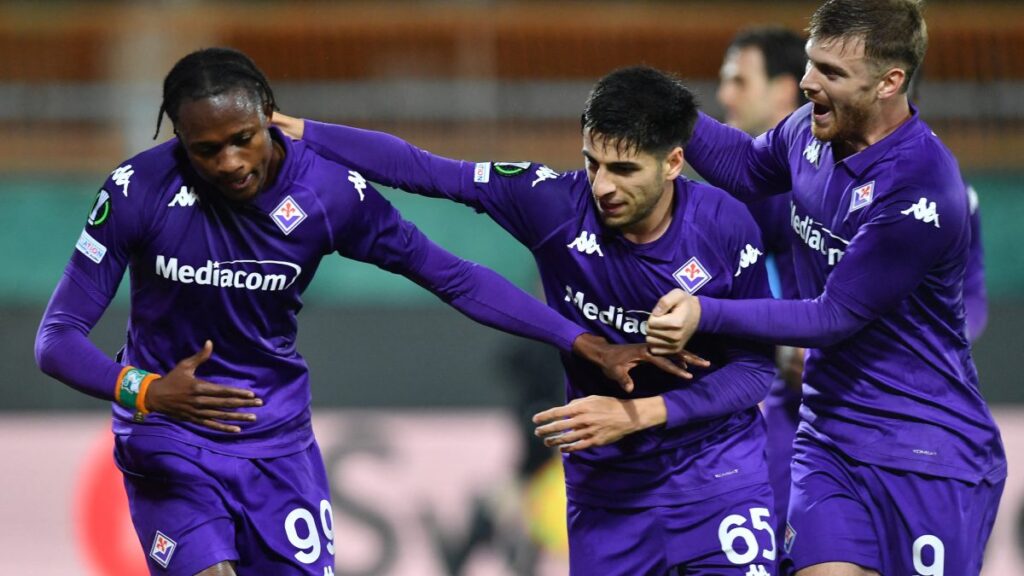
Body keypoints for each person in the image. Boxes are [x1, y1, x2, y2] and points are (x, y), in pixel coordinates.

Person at [33, 48, 697, 576]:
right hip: (168, 440)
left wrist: (581, 341)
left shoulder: (327, 193)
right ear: (179, 139)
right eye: (206, 149)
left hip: (277, 441)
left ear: (269, 113)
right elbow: (56, 339)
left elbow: (453, 275)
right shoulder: (137, 190)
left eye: (243, 138)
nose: (230, 162)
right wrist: (145, 391)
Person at [273, 66, 779, 575]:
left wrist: (640, 413)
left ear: (673, 163)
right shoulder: (551, 202)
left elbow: (756, 372)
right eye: (592, 163)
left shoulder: (725, 225)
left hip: (719, 479)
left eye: (623, 169)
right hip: (608, 496)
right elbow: (425, 170)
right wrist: (304, 132)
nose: (603, 186)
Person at [645, 1, 1005, 575]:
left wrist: (704, 314)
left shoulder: (921, 188)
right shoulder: (811, 135)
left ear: (890, 82)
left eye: (832, 74)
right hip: (829, 437)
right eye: (813, 64)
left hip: (924, 451)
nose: (809, 83)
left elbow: (835, 315)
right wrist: (665, 106)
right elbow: (744, 167)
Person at [716, 25, 808, 541]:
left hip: (843, 409)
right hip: (786, 407)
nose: (724, 94)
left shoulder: (821, 178)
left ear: (783, 89)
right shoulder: (754, 186)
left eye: (738, 80)